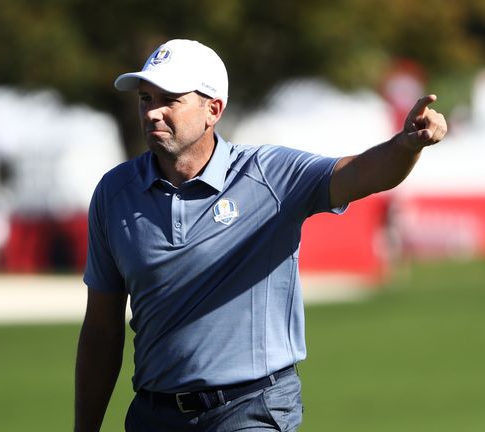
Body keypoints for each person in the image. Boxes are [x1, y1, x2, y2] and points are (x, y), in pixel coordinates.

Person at [74, 39, 447, 432]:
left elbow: (360, 174)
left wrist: (406, 146)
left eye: (170, 99)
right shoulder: (114, 195)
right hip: (154, 414)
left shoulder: (269, 174)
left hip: (251, 409)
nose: (153, 112)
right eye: (146, 98)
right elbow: (101, 329)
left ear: (212, 110)